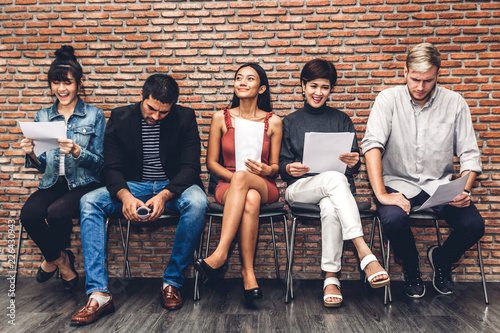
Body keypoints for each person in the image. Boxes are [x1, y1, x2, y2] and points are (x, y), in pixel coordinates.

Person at [70, 74, 208, 326]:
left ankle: (172, 282)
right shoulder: (120, 117)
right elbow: (110, 167)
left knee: (198, 202)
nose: (156, 116)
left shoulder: (185, 117)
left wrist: (165, 195)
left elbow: (190, 167)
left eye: (163, 112)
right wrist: (125, 196)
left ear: (173, 107)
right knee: (89, 201)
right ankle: (99, 294)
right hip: (133, 184)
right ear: (142, 97)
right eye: (151, 109)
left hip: (172, 185)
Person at [361, 43, 485, 298]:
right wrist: (382, 194)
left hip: (439, 186)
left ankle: (441, 259)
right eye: (415, 79)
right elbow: (372, 145)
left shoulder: (455, 103)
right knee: (393, 220)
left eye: (427, 80)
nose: (420, 87)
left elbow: (470, 155)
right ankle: (411, 268)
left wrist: (465, 190)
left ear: (438, 74)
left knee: (474, 225)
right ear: (404, 71)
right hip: (398, 183)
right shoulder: (388, 99)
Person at [279, 59, 390, 308]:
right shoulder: (289, 122)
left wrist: (354, 161)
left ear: (332, 89)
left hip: (335, 192)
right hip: (301, 189)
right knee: (335, 179)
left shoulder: (341, 119)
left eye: (325, 87)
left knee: (331, 206)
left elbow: (355, 164)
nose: (319, 92)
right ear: (303, 85)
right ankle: (364, 251)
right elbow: (282, 165)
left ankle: (331, 278)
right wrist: (288, 167)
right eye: (314, 86)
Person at [193, 63, 282, 305]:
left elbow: (275, 166)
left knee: (250, 187)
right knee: (248, 197)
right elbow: (211, 163)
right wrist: (239, 181)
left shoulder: (273, 122)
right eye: (238, 78)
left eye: (250, 79)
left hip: (264, 184)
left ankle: (220, 254)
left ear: (261, 88)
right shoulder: (220, 118)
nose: (242, 82)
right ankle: (248, 273)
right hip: (228, 185)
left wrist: (267, 169)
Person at [19, 45, 105, 293]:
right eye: (56, 82)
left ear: (79, 83)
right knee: (29, 215)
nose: (62, 89)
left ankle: (50, 261)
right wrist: (31, 152)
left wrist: (78, 151)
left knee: (57, 213)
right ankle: (64, 262)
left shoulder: (94, 115)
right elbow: (42, 165)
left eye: (67, 82)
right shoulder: (43, 116)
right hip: (52, 182)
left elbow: (101, 163)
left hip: (84, 183)